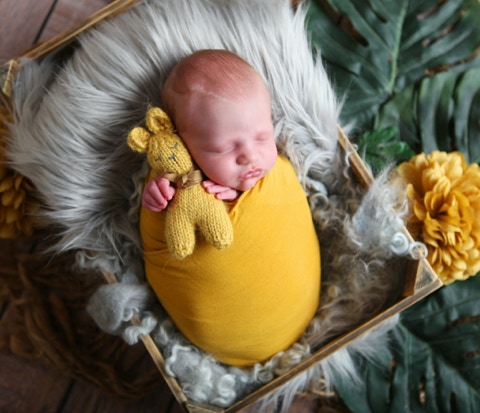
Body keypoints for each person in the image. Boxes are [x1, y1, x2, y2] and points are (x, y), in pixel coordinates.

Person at [140, 49, 321, 367]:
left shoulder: (270, 170)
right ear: (183, 143)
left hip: (304, 305)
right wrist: (158, 196)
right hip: (231, 340)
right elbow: (163, 227)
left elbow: (285, 198)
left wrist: (239, 193)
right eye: (223, 148)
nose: (250, 156)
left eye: (262, 137)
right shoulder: (176, 177)